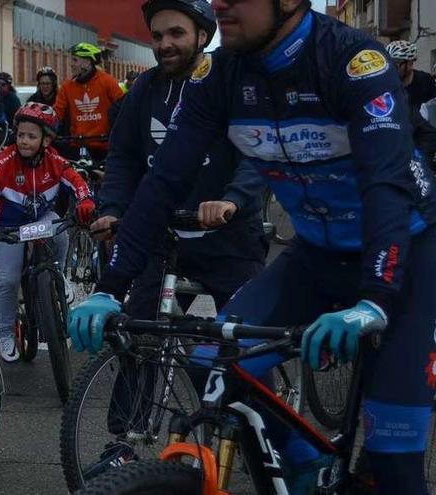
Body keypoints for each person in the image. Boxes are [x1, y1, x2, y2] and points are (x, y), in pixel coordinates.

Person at [69, 0, 436, 493]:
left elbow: (386, 184)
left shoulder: (352, 60)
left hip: (404, 256)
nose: (220, 3)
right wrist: (111, 286)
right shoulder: (218, 73)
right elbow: (163, 182)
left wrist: (375, 299)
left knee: (392, 458)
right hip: (316, 253)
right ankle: (305, 467)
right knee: (212, 361)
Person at [88, 0, 268, 470]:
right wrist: (112, 210)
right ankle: (124, 442)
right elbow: (125, 158)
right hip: (161, 242)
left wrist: (233, 200)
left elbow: (256, 155)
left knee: (247, 344)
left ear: (203, 34)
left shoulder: (229, 85)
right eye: (158, 36)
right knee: (137, 333)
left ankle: (262, 432)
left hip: (228, 239)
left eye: (176, 34)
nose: (165, 44)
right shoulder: (145, 90)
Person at [0, 102, 95, 362]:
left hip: (41, 220)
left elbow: (76, 180)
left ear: (47, 140)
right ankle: (6, 333)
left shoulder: (55, 161)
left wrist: (86, 201)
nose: (24, 141)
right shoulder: (5, 160)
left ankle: (59, 276)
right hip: (8, 227)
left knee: (60, 230)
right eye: (20, 135)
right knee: (7, 280)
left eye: (32, 136)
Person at [53, 42, 124, 161]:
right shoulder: (67, 87)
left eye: (75, 60)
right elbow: (56, 114)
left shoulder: (108, 82)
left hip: (104, 147)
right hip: (77, 147)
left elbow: (124, 109)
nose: (71, 64)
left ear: (87, 62)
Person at [385, 40, 436, 113]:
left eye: (397, 63)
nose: (392, 68)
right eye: (389, 63)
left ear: (410, 63)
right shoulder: (385, 83)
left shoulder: (425, 81)